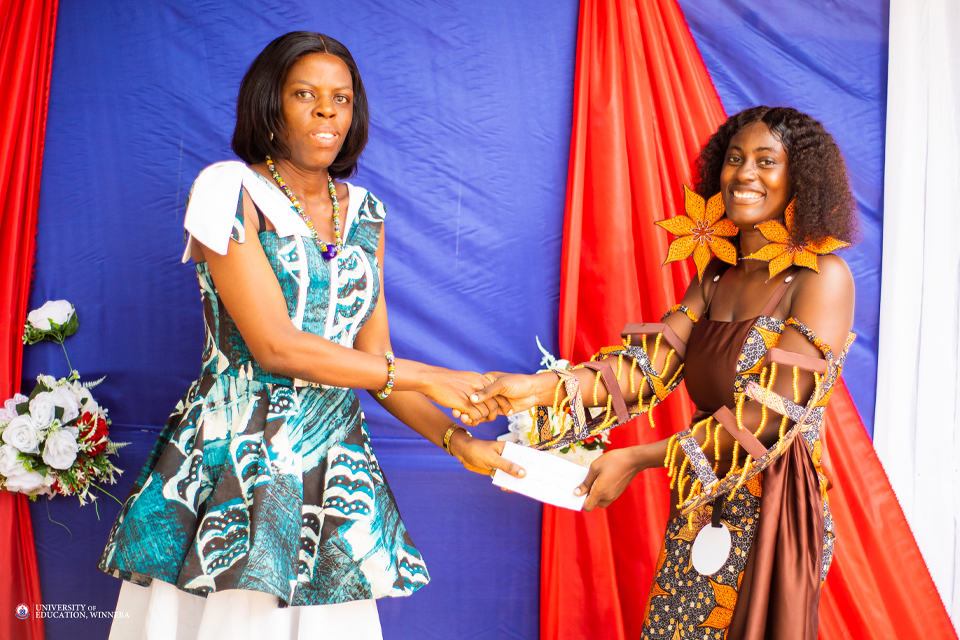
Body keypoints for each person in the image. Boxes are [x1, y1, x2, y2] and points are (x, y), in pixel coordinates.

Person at [98, 31, 522, 640]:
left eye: (341, 98)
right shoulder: (229, 190)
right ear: (270, 107)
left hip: (332, 472)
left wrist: (460, 443)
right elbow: (275, 346)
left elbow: (374, 365)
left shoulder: (367, 212)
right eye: (305, 94)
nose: (327, 111)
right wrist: (434, 376)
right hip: (237, 466)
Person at [470, 106, 857, 639]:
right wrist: (535, 391)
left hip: (774, 508)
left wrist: (636, 458)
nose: (745, 174)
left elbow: (766, 421)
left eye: (767, 161)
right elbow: (646, 369)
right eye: (735, 159)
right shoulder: (716, 275)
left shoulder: (822, 278)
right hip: (702, 498)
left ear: (801, 181)